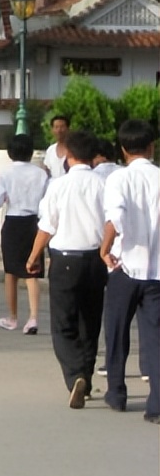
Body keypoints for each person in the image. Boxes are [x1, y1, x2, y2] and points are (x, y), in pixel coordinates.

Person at [26, 130, 106, 410]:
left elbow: (48, 225)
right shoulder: (103, 184)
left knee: (63, 323)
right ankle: (86, 375)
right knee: (90, 322)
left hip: (65, 259)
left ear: (68, 156)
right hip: (95, 258)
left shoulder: (58, 185)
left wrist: (33, 256)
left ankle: (75, 376)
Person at [98, 119, 160, 421]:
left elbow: (116, 217)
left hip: (124, 266)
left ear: (123, 149)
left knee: (116, 330)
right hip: (157, 271)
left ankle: (117, 392)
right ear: (152, 147)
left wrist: (105, 247)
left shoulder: (118, 179)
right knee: (155, 338)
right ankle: (157, 404)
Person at [0, 134, 47, 334]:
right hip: (34, 222)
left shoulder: (5, 173)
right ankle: (33, 317)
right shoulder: (41, 174)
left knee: (11, 272)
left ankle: (13, 317)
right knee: (32, 272)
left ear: (10, 152)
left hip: (13, 221)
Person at [43, 114, 70, 178]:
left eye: (62, 127)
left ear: (68, 129)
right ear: (52, 130)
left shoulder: (74, 149)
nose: (59, 130)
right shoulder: (50, 150)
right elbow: (47, 169)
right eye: (56, 127)